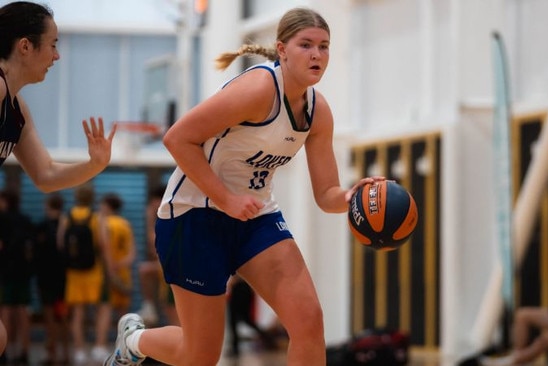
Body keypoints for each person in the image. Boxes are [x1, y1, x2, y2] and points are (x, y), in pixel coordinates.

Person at [104, 7, 381, 366]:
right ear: (282, 50)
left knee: (308, 323)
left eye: (324, 46)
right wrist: (226, 199)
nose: (317, 54)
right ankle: (135, 341)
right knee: (199, 355)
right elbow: (178, 139)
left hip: (256, 217)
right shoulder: (258, 88)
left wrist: (352, 196)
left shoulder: (318, 111)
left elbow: (326, 194)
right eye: (306, 45)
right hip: (194, 215)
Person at [0, 0, 115, 355]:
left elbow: (47, 175)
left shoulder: (16, 108)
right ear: (25, 46)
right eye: (52, 45)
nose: (57, 56)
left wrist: (93, 166)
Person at [57, 184, 104, 365]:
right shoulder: (96, 217)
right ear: (92, 198)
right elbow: (101, 243)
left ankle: (79, 350)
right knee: (98, 309)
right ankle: (98, 347)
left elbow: (61, 243)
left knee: (77, 312)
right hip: (94, 270)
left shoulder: (67, 216)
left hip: (74, 271)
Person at [91, 192, 136, 362]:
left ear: (107, 206)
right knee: (123, 313)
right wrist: (119, 266)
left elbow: (102, 250)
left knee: (105, 310)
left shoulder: (101, 224)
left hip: (105, 274)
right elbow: (132, 255)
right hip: (123, 274)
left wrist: (110, 267)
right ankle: (124, 349)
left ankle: (100, 345)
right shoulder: (125, 224)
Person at [34, 193, 69, 364]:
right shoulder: (66, 224)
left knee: (49, 316)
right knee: (62, 316)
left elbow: (36, 253)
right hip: (64, 278)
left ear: (48, 205)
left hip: (45, 278)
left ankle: (52, 354)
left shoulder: (42, 226)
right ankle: (65, 353)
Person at [0, 190, 35, 364]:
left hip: (5, 271)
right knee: (23, 312)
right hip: (24, 273)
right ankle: (25, 351)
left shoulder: (2, 219)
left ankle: (5, 351)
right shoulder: (26, 219)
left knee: (5, 311)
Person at [136, 185, 178, 328]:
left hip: (174, 271)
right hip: (166, 270)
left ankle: (149, 307)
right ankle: (149, 307)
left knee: (173, 315)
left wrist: (149, 219)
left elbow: (155, 247)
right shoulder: (163, 219)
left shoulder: (169, 218)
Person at [226, 274, 277, 357]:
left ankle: (235, 349)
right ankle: (267, 337)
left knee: (234, 320)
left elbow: (237, 274)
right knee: (246, 319)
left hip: (239, 289)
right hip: (245, 289)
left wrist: (231, 283)